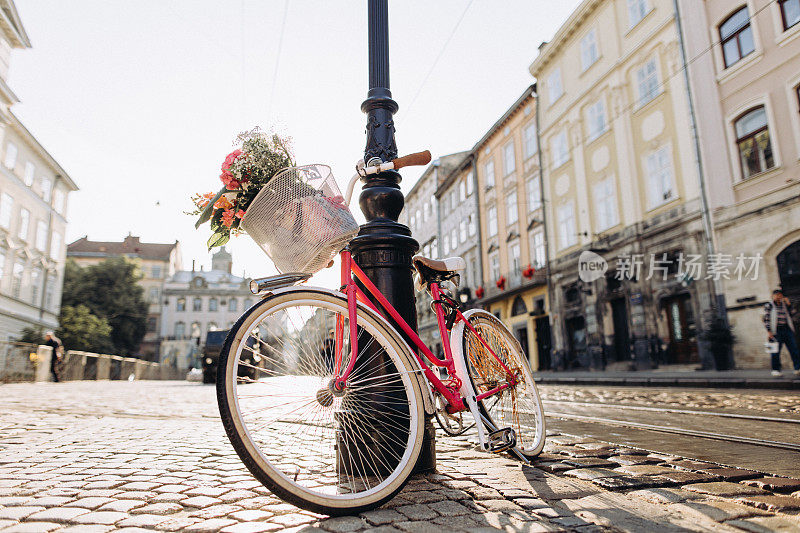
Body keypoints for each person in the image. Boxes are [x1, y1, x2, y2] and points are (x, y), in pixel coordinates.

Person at [763, 289, 800, 377]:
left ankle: (797, 368)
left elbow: (792, 314)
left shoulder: (785, 305)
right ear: (773, 296)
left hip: (787, 329)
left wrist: (789, 305)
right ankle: (776, 370)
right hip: (776, 331)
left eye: (779, 295)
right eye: (776, 295)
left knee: (793, 349)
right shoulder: (769, 305)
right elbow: (766, 319)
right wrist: (769, 332)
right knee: (775, 351)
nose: (778, 297)